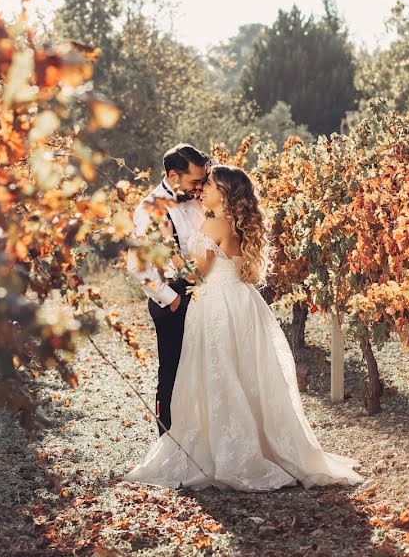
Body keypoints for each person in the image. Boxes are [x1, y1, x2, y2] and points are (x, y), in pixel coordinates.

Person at [125, 164, 363, 491]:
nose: (202, 190)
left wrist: (167, 244)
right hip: (242, 302)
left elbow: (194, 275)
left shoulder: (212, 224)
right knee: (244, 373)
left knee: (220, 374)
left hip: (217, 305)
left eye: (208, 185)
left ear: (223, 192)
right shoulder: (234, 224)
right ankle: (260, 442)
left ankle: (229, 451)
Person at [126, 143, 209, 438]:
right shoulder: (150, 209)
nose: (200, 186)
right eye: (195, 181)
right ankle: (169, 442)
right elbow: (138, 266)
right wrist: (171, 299)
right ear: (174, 176)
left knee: (203, 371)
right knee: (171, 373)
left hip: (206, 296)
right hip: (172, 299)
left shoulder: (199, 199)